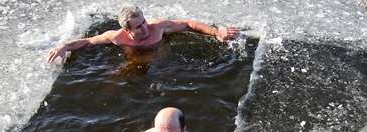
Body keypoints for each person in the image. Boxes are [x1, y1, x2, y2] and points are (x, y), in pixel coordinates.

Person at [46, 4, 240, 63]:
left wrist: (216, 32)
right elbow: (88, 41)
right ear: (126, 30)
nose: (145, 27)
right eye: (138, 27)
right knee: (117, 79)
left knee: (167, 77)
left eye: (144, 22)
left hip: (161, 57)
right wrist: (64, 46)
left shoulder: (158, 27)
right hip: (134, 59)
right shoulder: (117, 37)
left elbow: (188, 24)